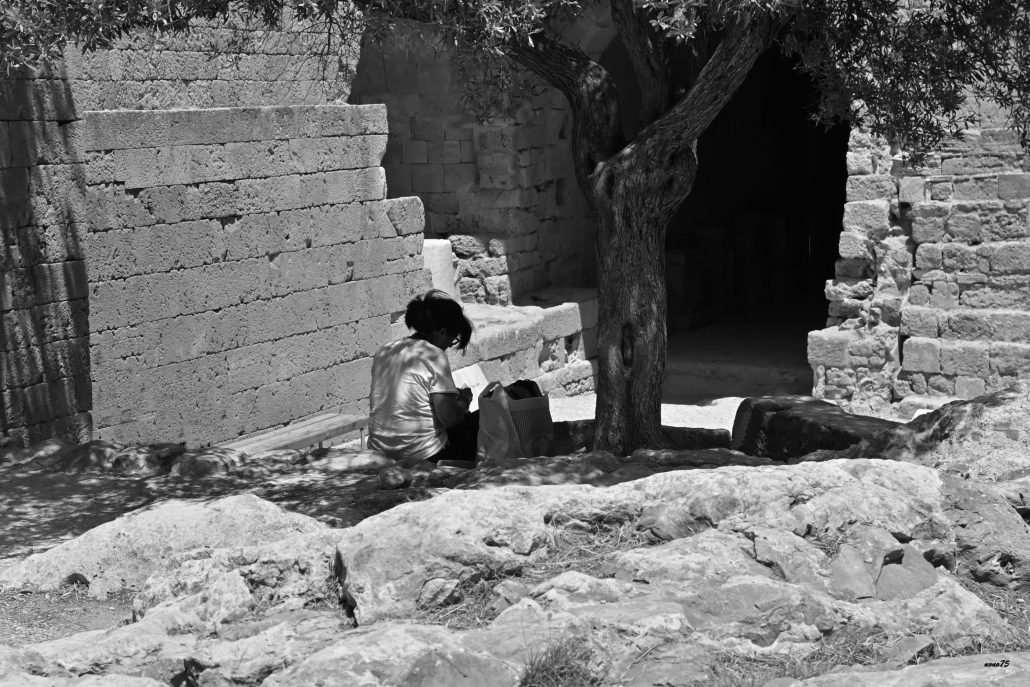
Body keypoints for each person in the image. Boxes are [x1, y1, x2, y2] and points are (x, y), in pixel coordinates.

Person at [367, 289, 479, 464]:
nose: (449, 346)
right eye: (452, 340)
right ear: (442, 332)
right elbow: (448, 418)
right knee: (480, 423)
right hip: (424, 454)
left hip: (379, 451)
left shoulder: (384, 351)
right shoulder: (434, 355)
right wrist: (464, 401)